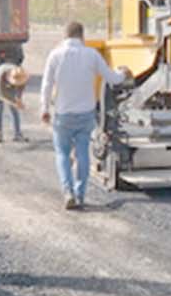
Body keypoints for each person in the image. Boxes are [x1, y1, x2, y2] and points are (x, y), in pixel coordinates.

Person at [38, 20, 115, 210]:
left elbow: (47, 84)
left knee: (62, 154)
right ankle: (80, 194)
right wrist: (123, 74)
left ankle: (68, 191)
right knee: (82, 154)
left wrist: (44, 108)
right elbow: (111, 77)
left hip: (63, 114)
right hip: (85, 114)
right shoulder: (92, 54)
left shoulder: (55, 55)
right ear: (82, 36)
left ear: (65, 35)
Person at [0, 64, 28, 143]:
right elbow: (2, 93)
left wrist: (19, 100)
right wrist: (13, 102)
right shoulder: (0, 77)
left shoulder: (21, 75)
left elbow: (20, 89)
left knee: (14, 110)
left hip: (9, 87)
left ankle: (17, 133)